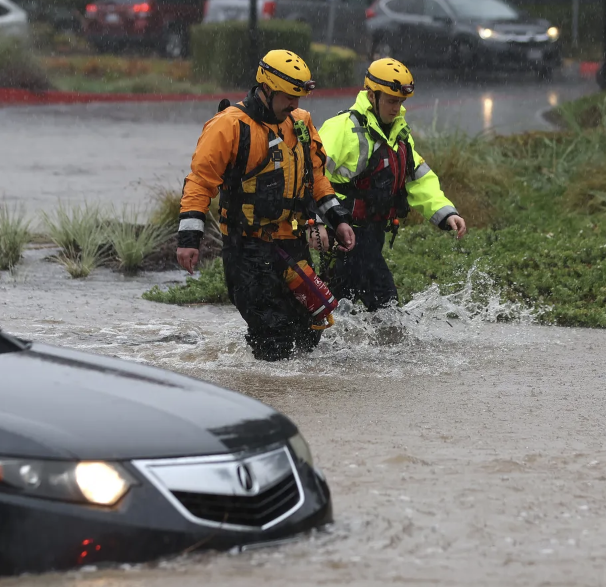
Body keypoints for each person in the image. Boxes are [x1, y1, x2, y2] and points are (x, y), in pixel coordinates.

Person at [176, 49, 356, 361]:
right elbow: (200, 183)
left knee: (309, 331)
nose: (294, 105)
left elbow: (315, 177)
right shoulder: (228, 126)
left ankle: (298, 392)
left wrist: (338, 219)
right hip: (247, 251)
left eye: (298, 97)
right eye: (288, 97)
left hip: (293, 246)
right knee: (273, 337)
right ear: (267, 89)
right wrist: (189, 239)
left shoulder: (300, 123)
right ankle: (262, 389)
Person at [317, 58, 467, 312]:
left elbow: (418, 178)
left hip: (373, 234)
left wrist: (445, 212)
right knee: (387, 310)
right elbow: (311, 176)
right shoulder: (341, 128)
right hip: (344, 233)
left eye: (400, 102)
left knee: (336, 308)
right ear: (371, 96)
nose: (396, 108)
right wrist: (317, 223)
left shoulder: (399, 135)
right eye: (390, 101)